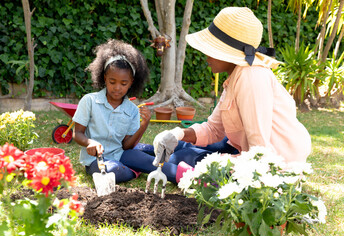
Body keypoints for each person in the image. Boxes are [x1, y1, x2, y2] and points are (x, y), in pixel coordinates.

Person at [151, 6, 312, 182]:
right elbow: (213, 129)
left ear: (228, 52)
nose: (205, 55)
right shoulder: (236, 77)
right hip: (252, 156)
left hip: (277, 165)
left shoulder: (251, 77)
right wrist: (178, 134)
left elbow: (260, 151)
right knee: (184, 152)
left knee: (187, 157)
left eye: (211, 49)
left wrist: (215, 163)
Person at [72, 39, 153, 183]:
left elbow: (126, 146)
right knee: (114, 171)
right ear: (104, 78)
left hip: (120, 154)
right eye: (112, 82)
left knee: (150, 158)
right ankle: (135, 170)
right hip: (95, 160)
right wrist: (90, 142)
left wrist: (144, 124)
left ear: (131, 82)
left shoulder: (132, 110)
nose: (117, 88)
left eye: (123, 83)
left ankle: (134, 164)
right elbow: (77, 134)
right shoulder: (89, 101)